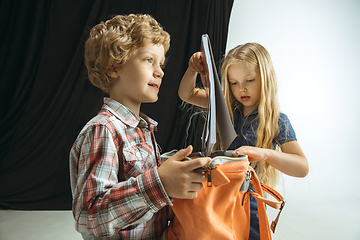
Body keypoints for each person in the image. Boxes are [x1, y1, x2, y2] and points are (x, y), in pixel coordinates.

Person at [69, 14, 210, 240]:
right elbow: (88, 218)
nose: (160, 72)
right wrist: (160, 183)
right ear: (113, 66)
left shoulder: (142, 129)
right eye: (148, 60)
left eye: (161, 64)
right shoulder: (103, 129)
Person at [178, 42, 309, 239]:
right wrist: (192, 69)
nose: (242, 89)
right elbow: (186, 94)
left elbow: (302, 167)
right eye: (234, 82)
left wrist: (266, 154)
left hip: (249, 200)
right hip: (218, 194)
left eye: (249, 80)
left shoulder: (277, 120)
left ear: (265, 79)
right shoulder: (226, 107)